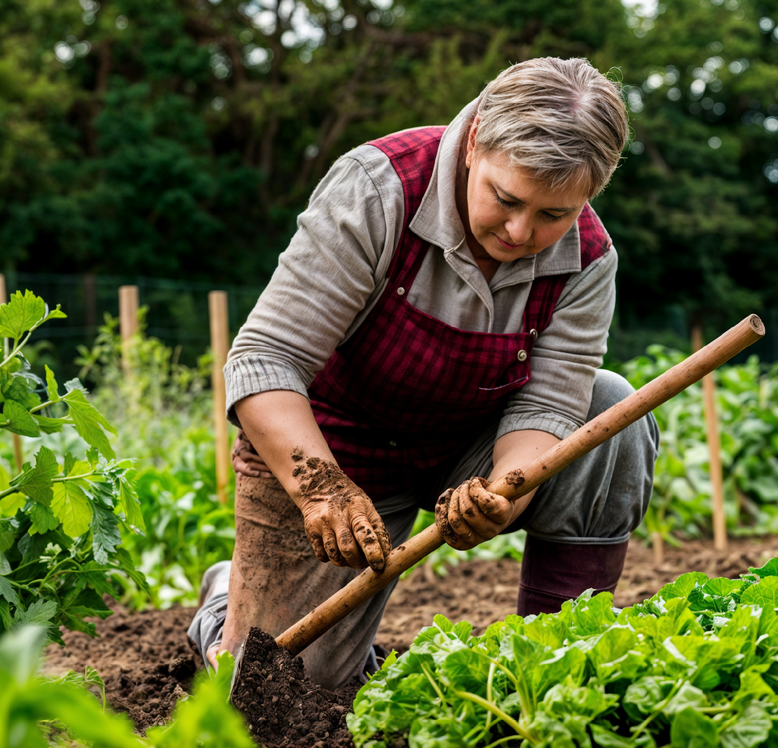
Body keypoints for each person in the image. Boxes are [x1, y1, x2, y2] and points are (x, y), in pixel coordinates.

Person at [187, 57, 659, 688]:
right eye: (506, 199)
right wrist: (321, 488)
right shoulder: (379, 188)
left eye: (554, 215)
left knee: (612, 413)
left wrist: (503, 491)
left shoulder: (589, 259)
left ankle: (554, 667)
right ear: (476, 139)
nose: (520, 231)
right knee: (278, 689)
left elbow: (547, 408)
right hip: (332, 451)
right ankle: (227, 603)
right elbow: (266, 357)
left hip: (466, 449)